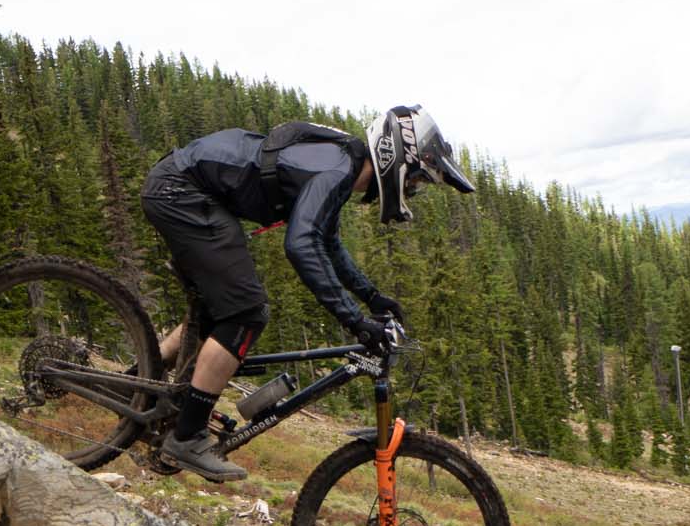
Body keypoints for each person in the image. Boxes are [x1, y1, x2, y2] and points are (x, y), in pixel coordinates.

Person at [139, 105, 474, 481]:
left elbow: (328, 243)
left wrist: (373, 298)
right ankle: (186, 438)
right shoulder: (336, 169)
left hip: (184, 188)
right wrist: (354, 320)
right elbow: (300, 245)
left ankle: (136, 384)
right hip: (180, 191)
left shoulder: (341, 166)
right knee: (246, 313)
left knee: (222, 315)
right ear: (394, 160)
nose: (413, 188)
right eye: (416, 178)